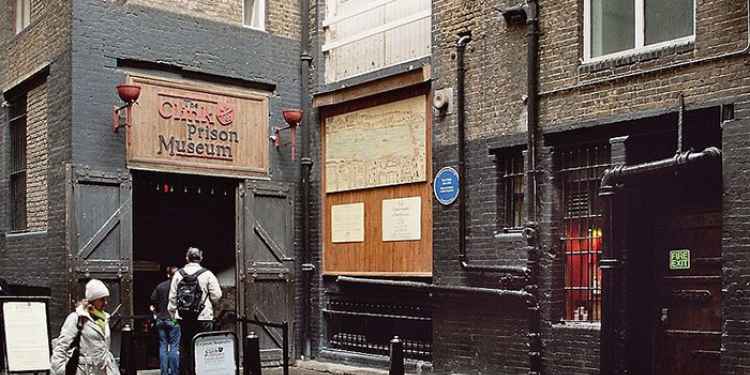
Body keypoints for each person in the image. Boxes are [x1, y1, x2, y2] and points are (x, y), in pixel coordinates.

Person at [168, 247, 222, 375]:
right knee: (204, 349)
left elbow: (172, 299)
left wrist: (174, 317)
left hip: (183, 318)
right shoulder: (207, 274)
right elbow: (217, 295)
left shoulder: (178, 274)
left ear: (187, 258)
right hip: (203, 317)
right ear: (201, 258)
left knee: (185, 349)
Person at [50, 279, 120, 375]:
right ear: (93, 300)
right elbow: (62, 346)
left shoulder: (104, 318)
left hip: (103, 370)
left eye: (105, 299)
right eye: (102, 299)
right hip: (84, 370)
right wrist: (60, 370)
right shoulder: (77, 318)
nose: (106, 303)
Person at [150, 266, 180, 375]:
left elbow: (153, 300)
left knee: (163, 346)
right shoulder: (179, 287)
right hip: (173, 320)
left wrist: (156, 312)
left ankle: (164, 372)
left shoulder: (160, 286)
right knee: (174, 346)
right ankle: (174, 372)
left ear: (168, 274)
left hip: (160, 319)